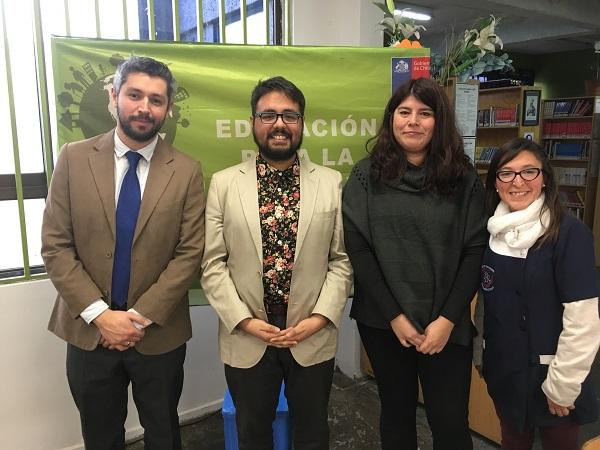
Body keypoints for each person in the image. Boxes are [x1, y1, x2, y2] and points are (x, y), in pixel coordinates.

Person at [42, 56, 205, 450]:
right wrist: (102, 316)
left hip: (158, 333)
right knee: (100, 436)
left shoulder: (186, 170)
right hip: (88, 331)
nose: (144, 107)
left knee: (164, 433)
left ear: (168, 109)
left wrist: (136, 318)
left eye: (156, 99)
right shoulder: (73, 158)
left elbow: (190, 253)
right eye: (134, 95)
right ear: (114, 97)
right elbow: (56, 245)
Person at [201, 76, 353, 450]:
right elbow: (212, 264)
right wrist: (246, 321)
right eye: (268, 115)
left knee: (313, 431)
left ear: (302, 123)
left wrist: (318, 319)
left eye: (290, 115)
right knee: (253, 433)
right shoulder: (224, 184)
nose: (280, 124)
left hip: (311, 333)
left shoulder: (332, 183)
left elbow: (341, 261)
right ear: (253, 122)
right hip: (247, 333)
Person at [342, 77, 488, 450]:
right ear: (391, 118)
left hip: (446, 323)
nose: (413, 121)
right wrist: (395, 317)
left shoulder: (464, 178)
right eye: (404, 112)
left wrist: (446, 320)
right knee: (396, 416)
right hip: (384, 322)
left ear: (439, 121)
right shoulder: (365, 176)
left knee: (451, 423)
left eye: (425, 113)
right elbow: (359, 251)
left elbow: (475, 250)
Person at [480, 137, 600, 450]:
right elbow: (487, 302)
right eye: (507, 173)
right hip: (506, 374)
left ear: (544, 178)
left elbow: (583, 320)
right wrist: (485, 357)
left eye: (528, 172)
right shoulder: (493, 232)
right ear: (495, 183)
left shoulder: (569, 234)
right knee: (512, 442)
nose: (517, 182)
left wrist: (563, 386)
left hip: (554, 377)